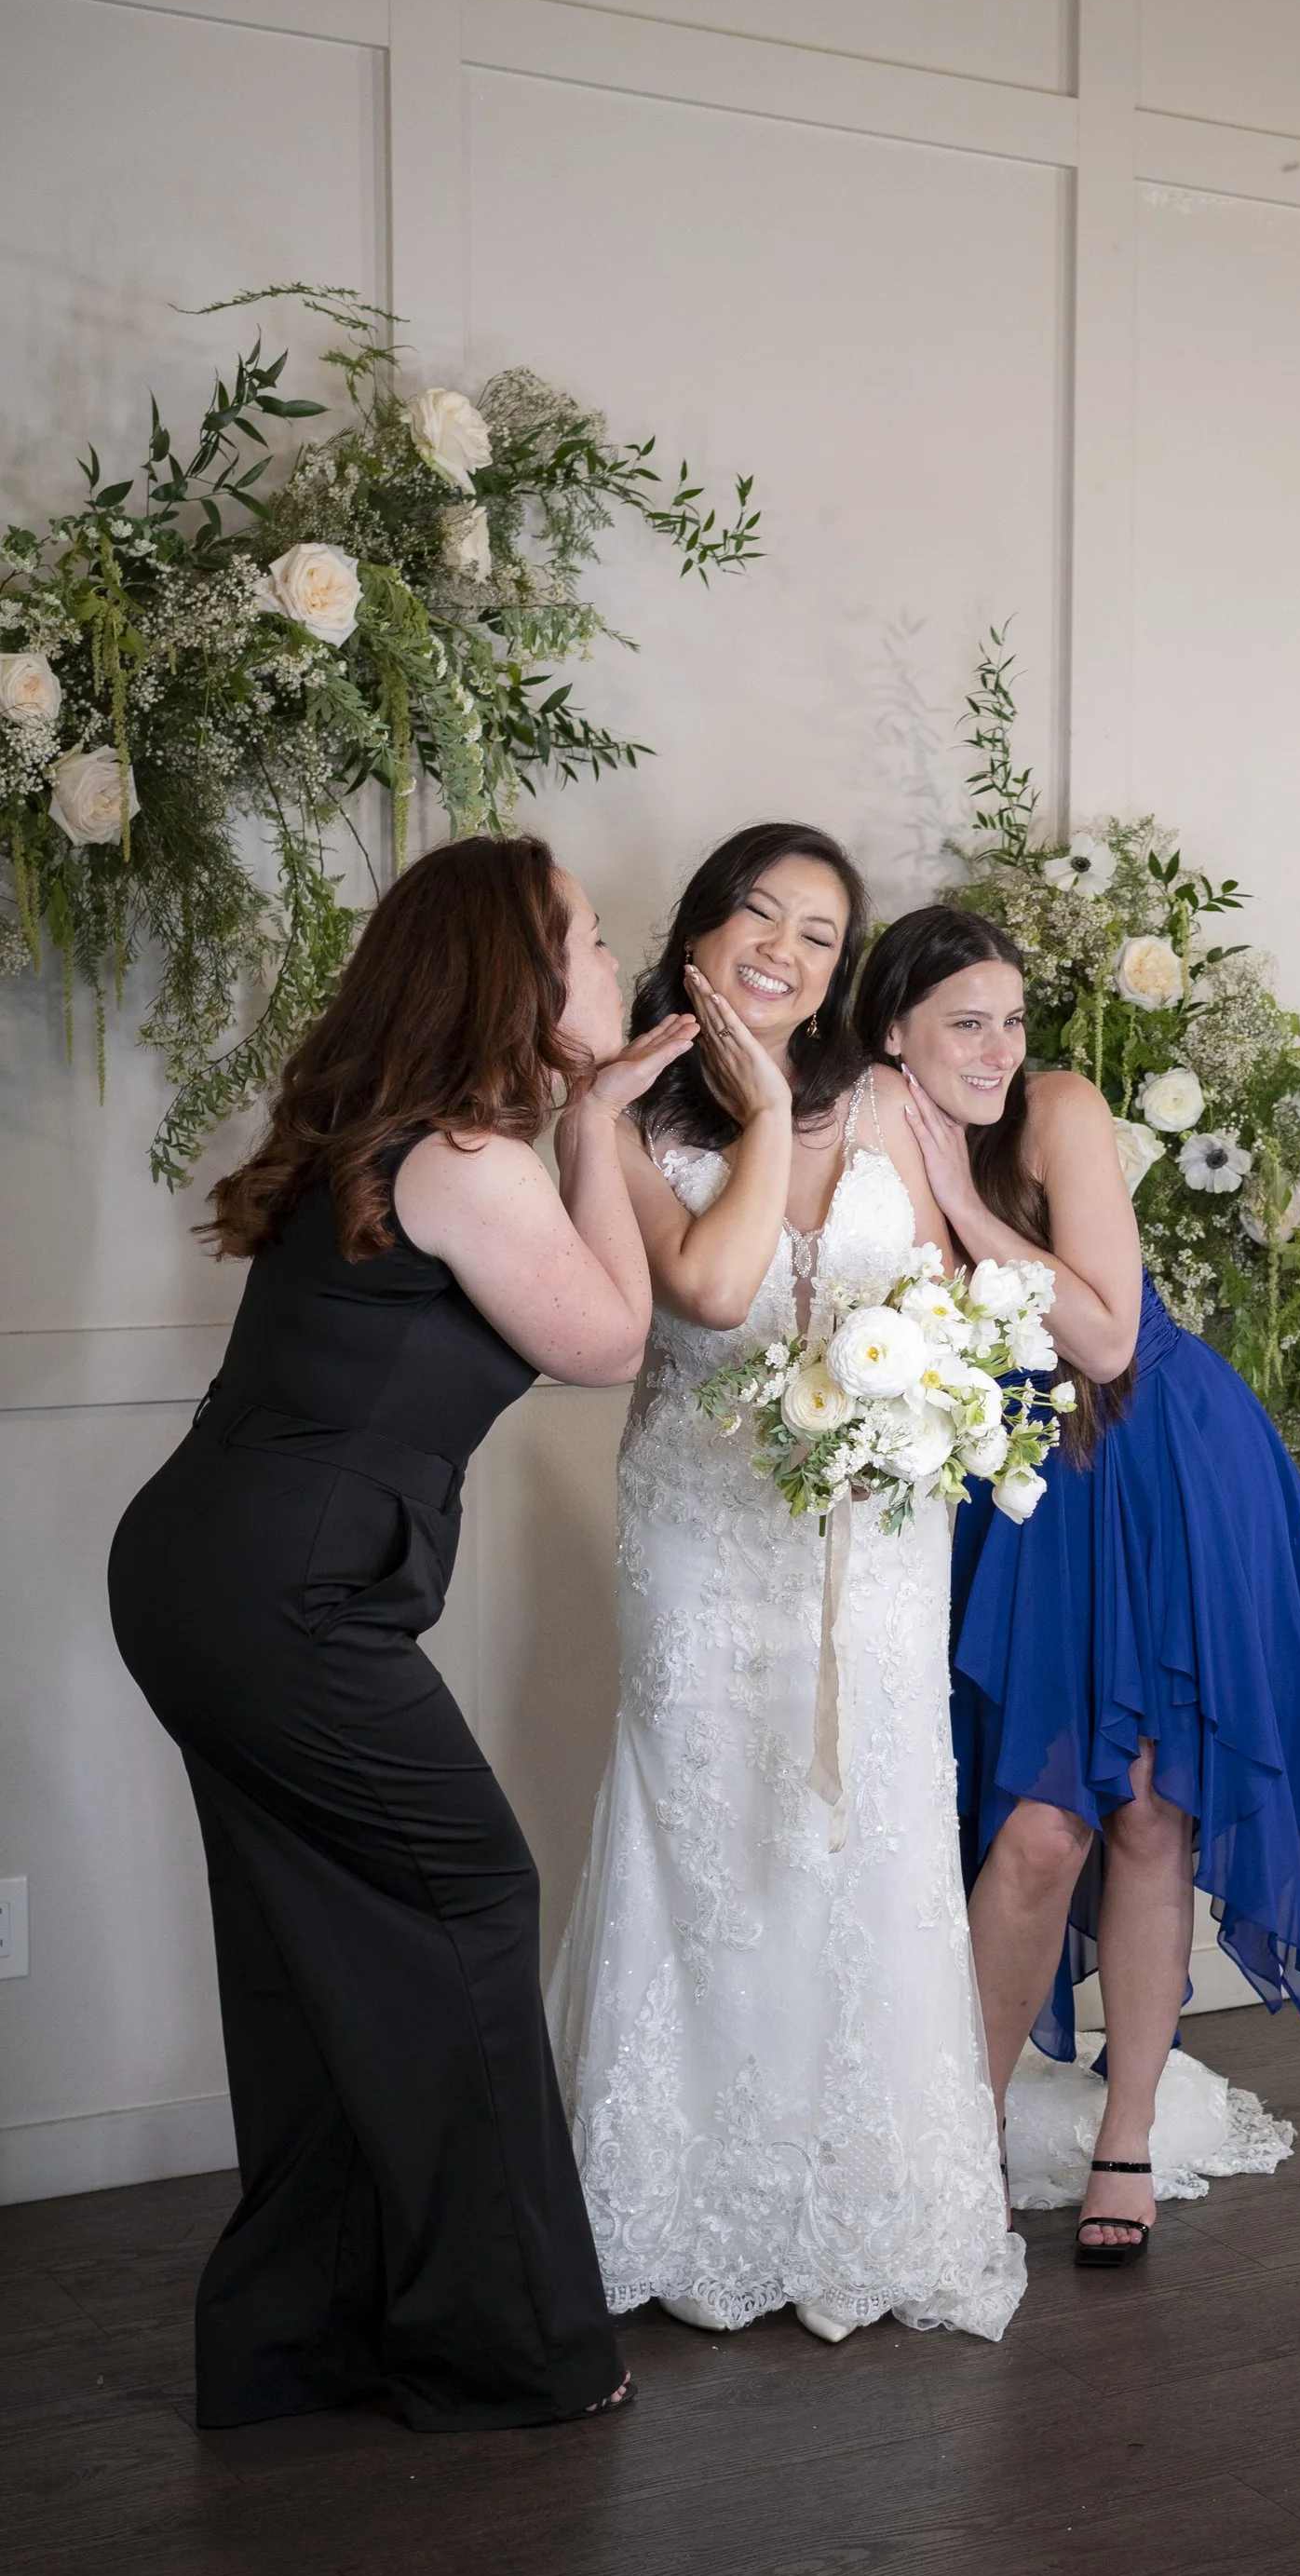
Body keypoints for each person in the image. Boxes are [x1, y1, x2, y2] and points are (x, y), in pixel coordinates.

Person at [108, 834, 692, 2432]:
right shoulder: (469, 1156)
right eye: (581, 940)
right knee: (470, 1900)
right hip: (273, 1599)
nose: (606, 960)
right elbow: (613, 1333)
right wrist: (601, 1122)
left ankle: (307, 2337)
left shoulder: (419, 1137)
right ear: (514, 974)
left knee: (317, 1950)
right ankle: (503, 2346)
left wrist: (582, 1115)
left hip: (216, 1579)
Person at [545, 827, 1024, 2345]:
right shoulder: (621, 1104)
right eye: (760, 912)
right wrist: (753, 1110)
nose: (786, 950)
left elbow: (953, 1288)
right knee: (711, 1831)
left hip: (875, 1539)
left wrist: (926, 1397)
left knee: (865, 1829)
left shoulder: (881, 1099)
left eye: (820, 934)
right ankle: (678, 2198)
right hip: (702, 1526)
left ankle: (867, 2194)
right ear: (700, 922)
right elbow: (701, 1286)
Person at [856, 906, 1300, 2269]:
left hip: (1154, 1464)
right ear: (891, 1028)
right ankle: (950, 2143)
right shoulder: (857, 1131)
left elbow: (1107, 1331)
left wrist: (963, 1200)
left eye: (1012, 1016)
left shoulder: (1056, 1110)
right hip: (1021, 1490)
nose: (1000, 1045)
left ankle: (1126, 2124)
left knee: (1142, 1809)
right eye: (967, 1019)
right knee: (1032, 1832)